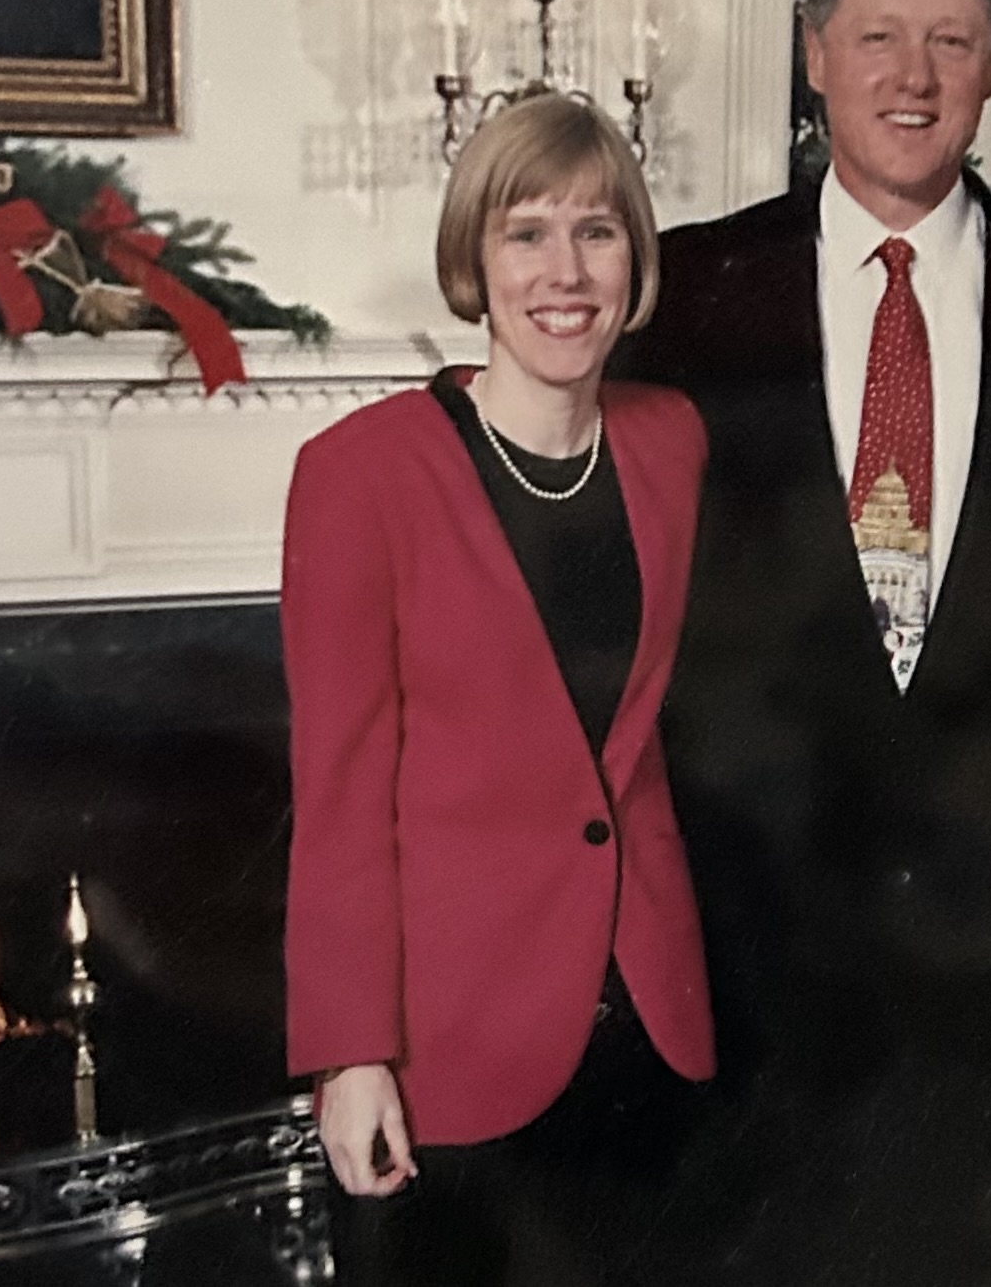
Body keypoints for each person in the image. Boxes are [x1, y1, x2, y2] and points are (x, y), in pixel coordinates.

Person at [614, 0, 991, 1282]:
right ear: (812, 53)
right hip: (753, 952)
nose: (913, 78)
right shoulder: (681, 300)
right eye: (878, 36)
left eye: (953, 41)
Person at [281, 93, 715, 1286]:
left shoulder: (669, 440)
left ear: (635, 258)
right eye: (525, 232)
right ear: (473, 262)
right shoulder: (357, 475)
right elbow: (338, 790)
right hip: (454, 1043)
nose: (563, 270)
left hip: (646, 1019)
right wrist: (348, 1052)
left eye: (597, 230)